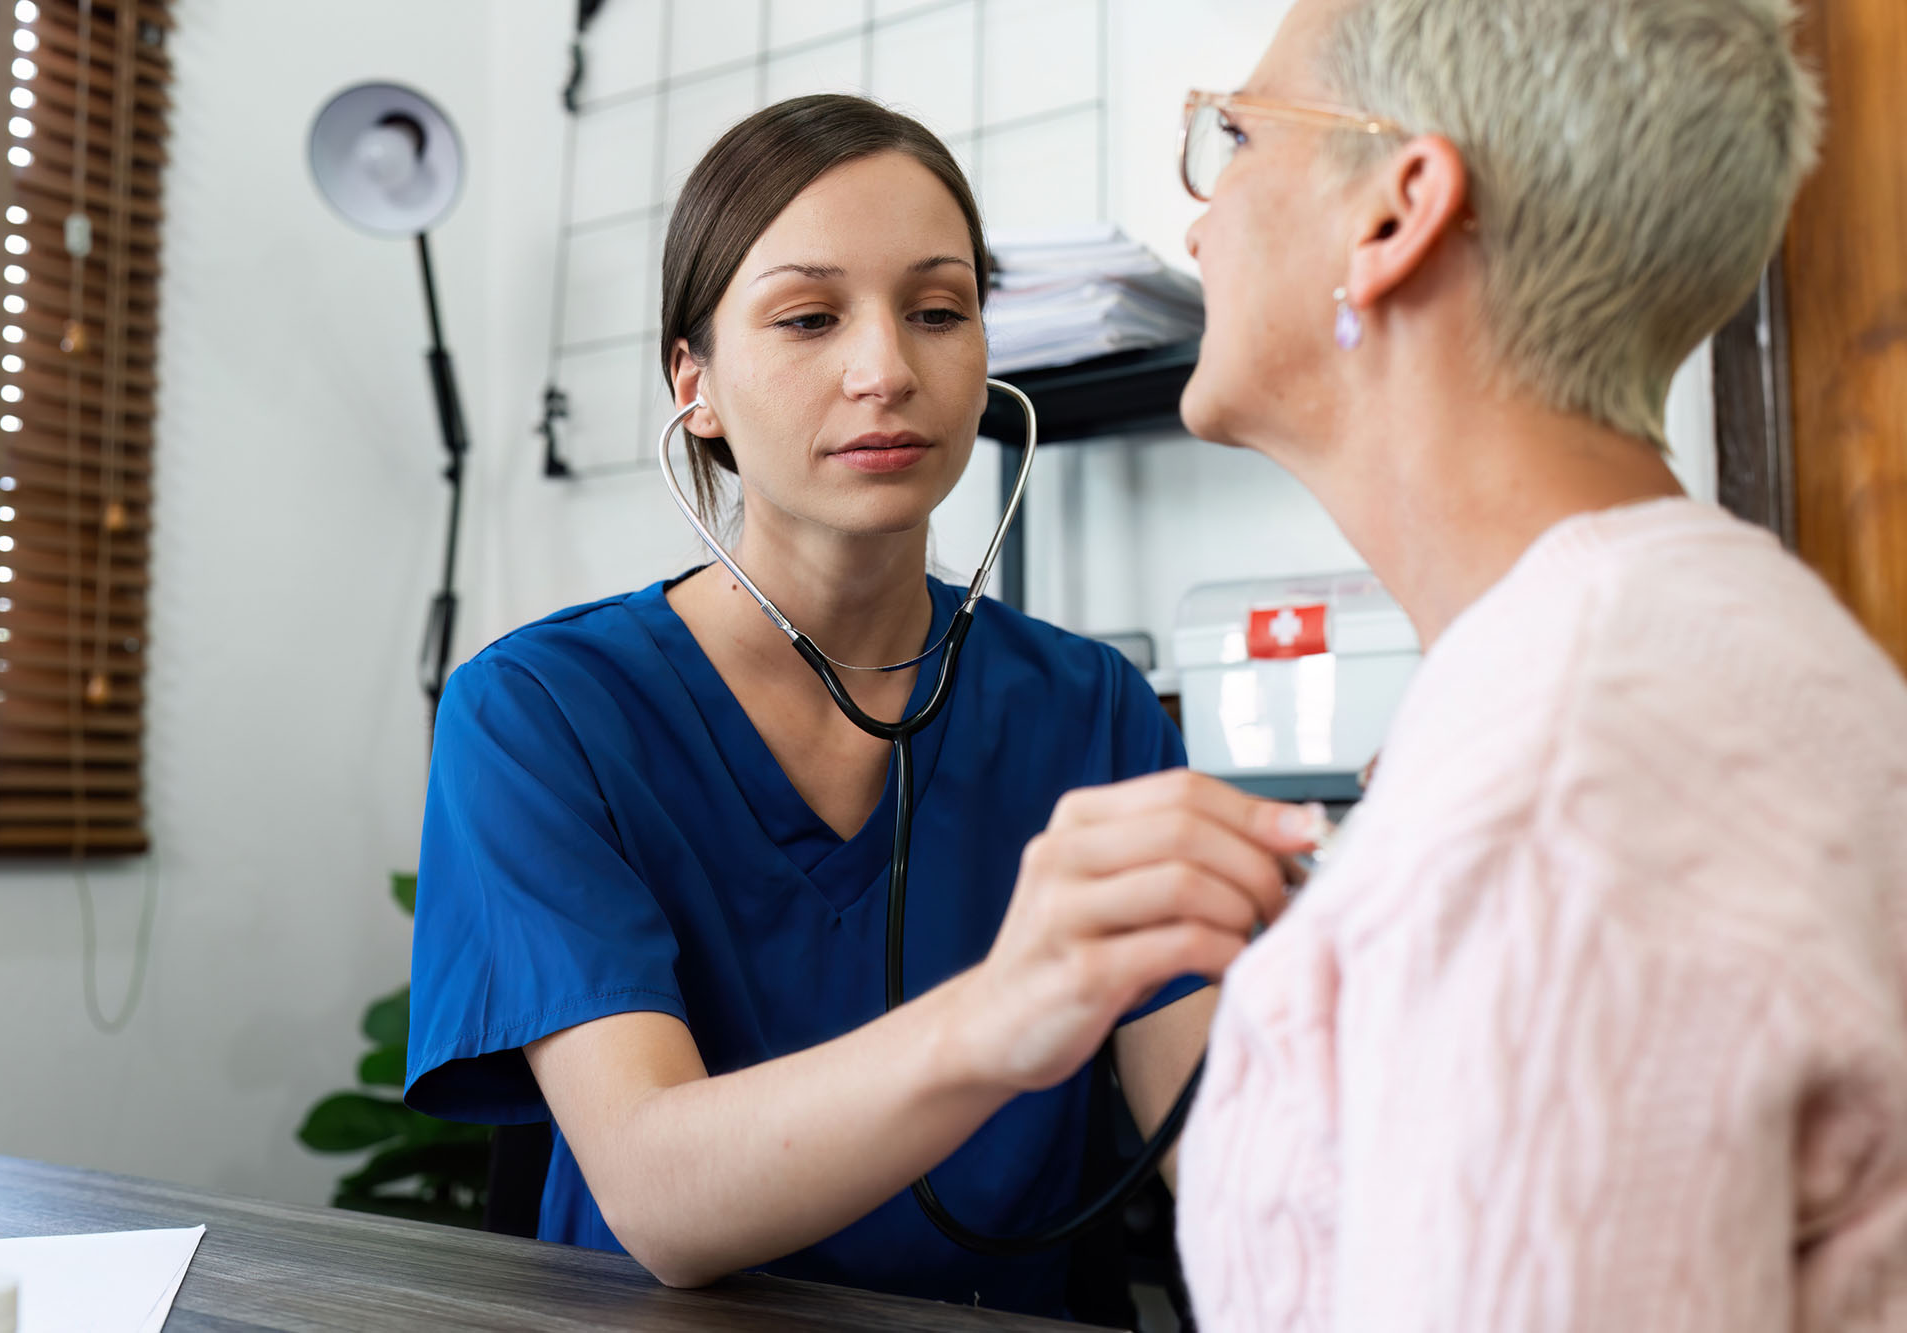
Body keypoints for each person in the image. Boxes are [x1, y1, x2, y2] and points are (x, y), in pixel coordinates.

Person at [404, 94, 1312, 1319]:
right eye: (807, 317)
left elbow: (1234, 1165)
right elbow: (659, 1197)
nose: (885, 369)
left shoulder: (1088, 711)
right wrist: (1005, 1008)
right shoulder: (539, 714)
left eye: (938, 312)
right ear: (697, 383)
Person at [1165, 0, 1907, 1329]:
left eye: (1235, 134)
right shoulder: (1741, 651)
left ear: (1393, 217)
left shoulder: (1549, 790)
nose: (1198, 219)